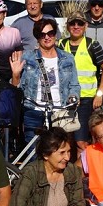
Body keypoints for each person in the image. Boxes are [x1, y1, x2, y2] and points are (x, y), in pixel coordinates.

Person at [20, 17, 79, 146]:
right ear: (37, 37)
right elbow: (19, 88)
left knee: (58, 151)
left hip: (59, 111)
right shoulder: (27, 57)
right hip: (33, 110)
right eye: (42, 35)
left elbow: (74, 85)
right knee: (33, 152)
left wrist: (73, 97)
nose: (47, 37)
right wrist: (14, 75)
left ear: (55, 34)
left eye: (50, 33)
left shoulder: (67, 58)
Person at [59, 10, 103, 145]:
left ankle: (83, 166)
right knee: (65, 141)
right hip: (65, 100)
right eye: (72, 24)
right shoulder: (61, 45)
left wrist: (99, 94)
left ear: (85, 26)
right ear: (67, 26)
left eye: (80, 23)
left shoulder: (92, 45)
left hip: (87, 100)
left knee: (81, 142)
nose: (76, 27)